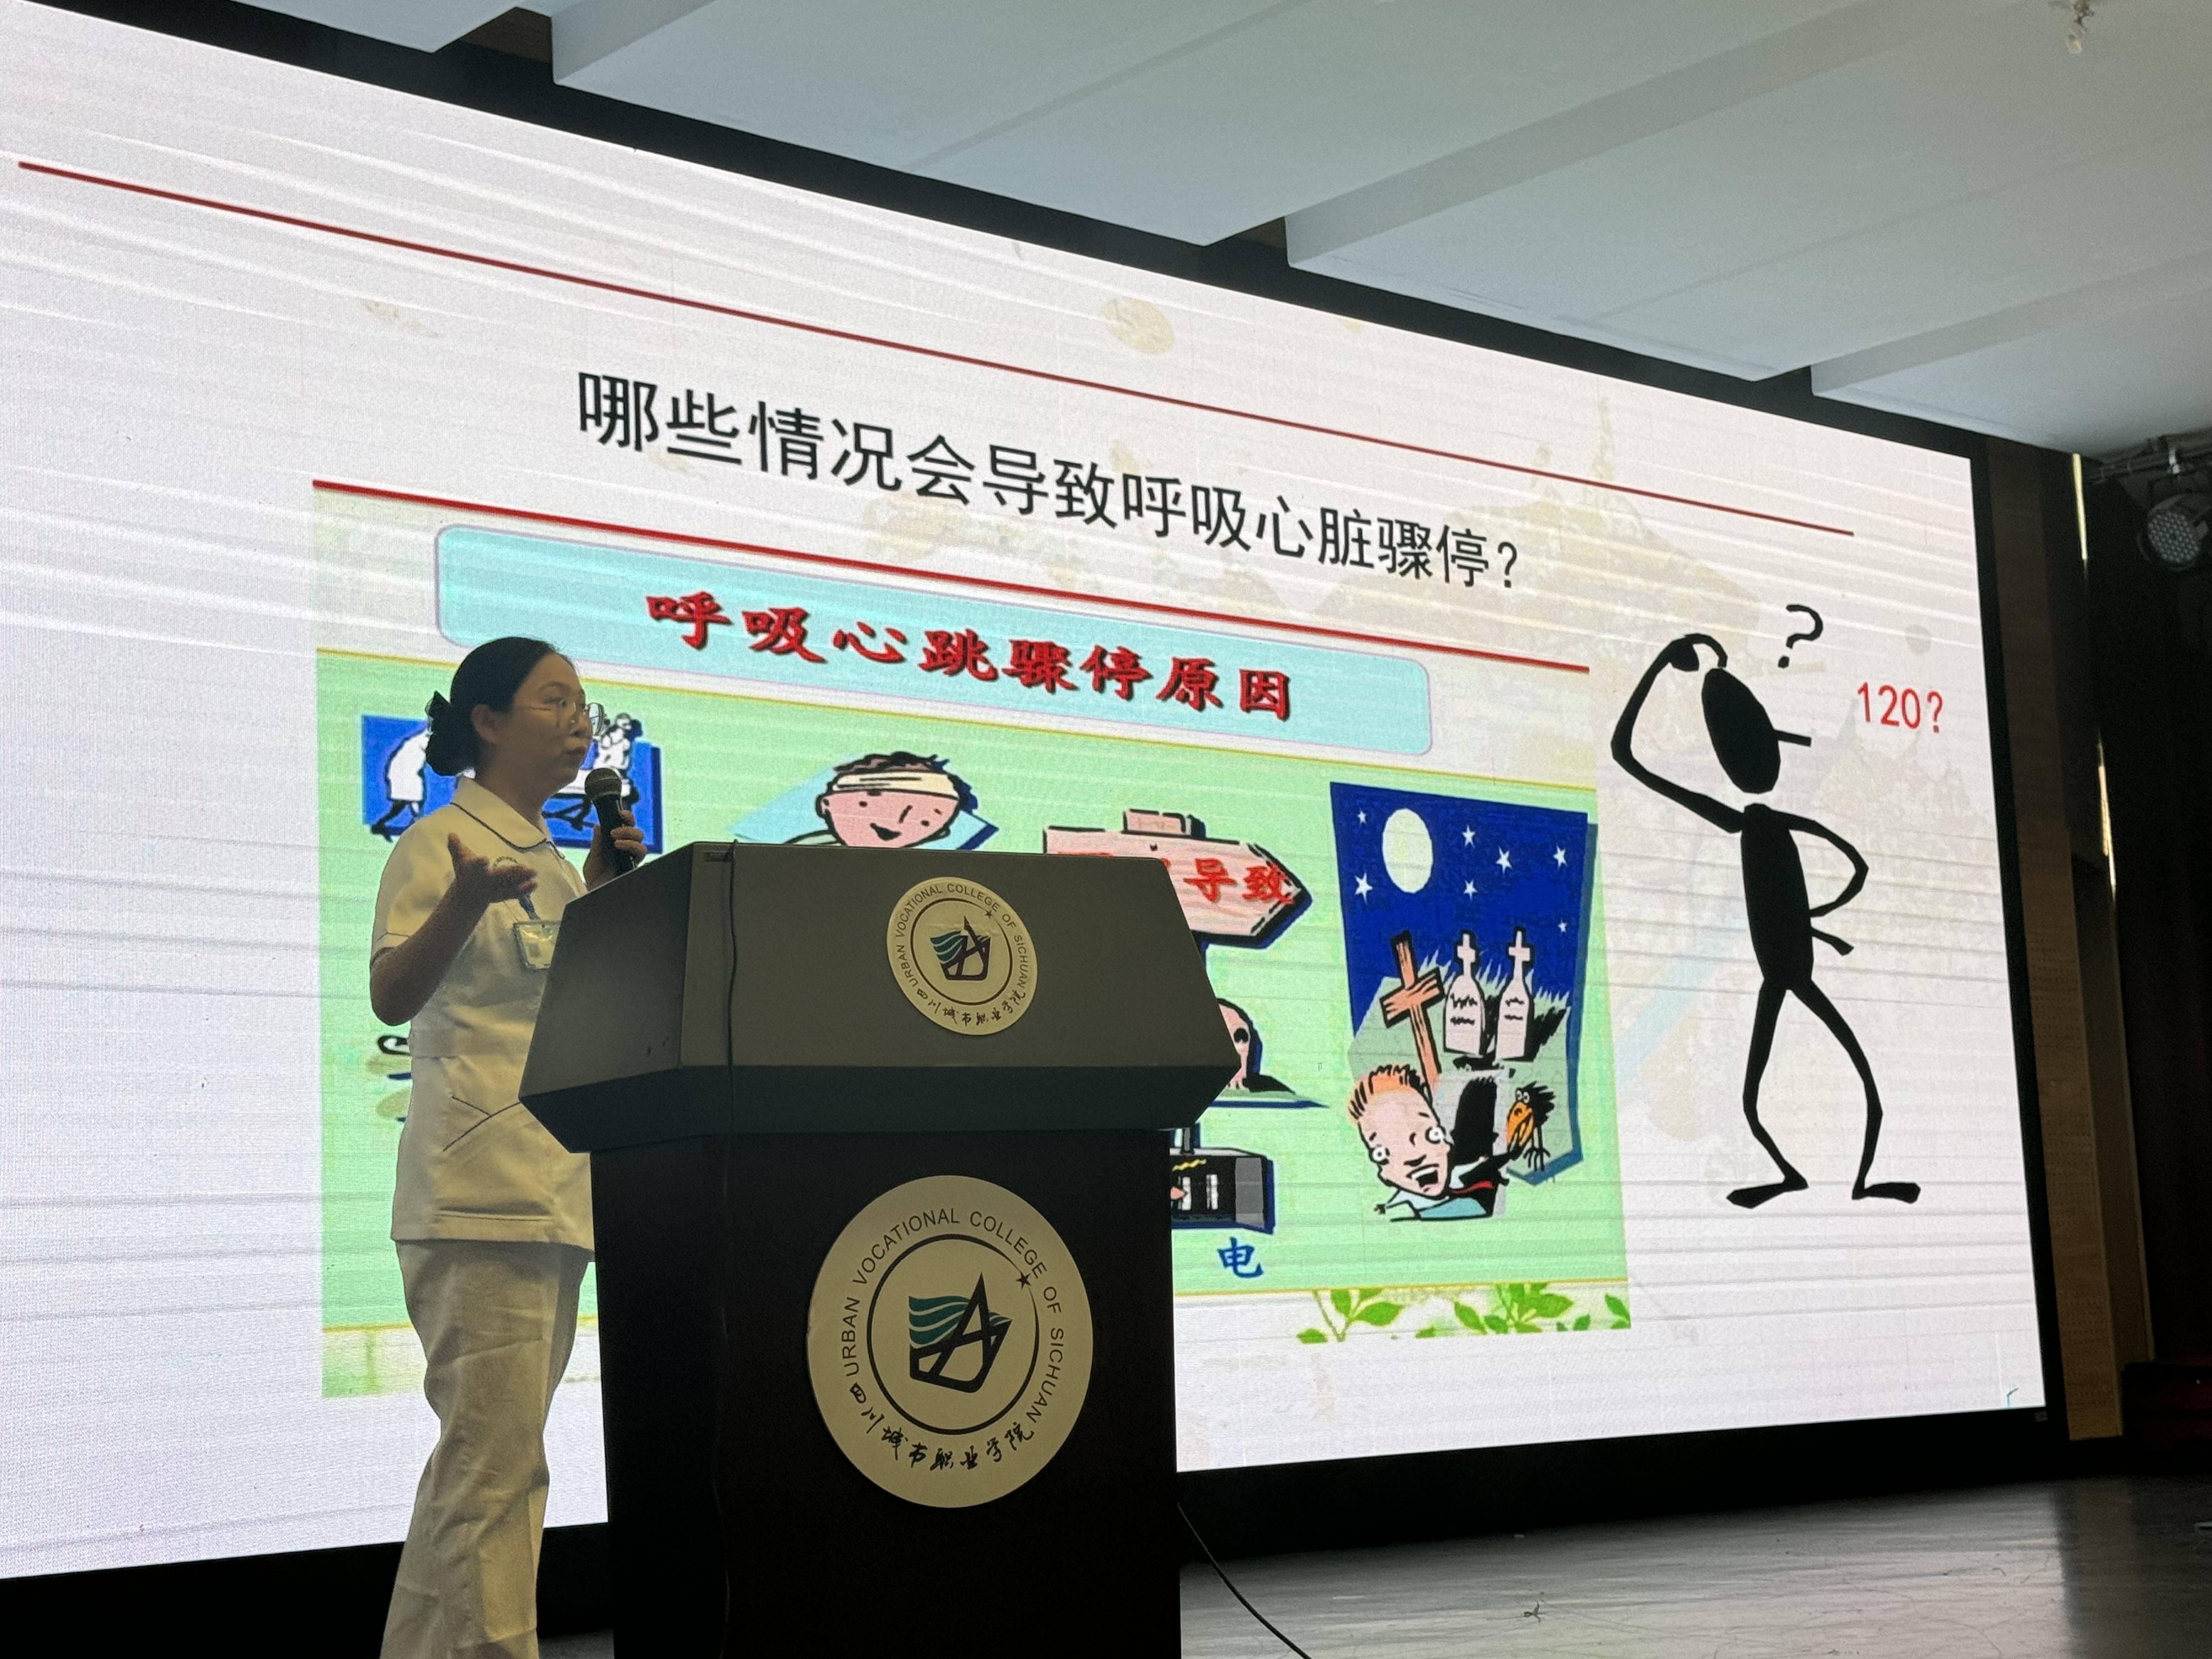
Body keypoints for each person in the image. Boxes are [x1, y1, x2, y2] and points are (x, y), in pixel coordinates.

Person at [369, 637, 644, 1659]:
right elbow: (391, 993)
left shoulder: (557, 864)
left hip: (550, 1191)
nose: (579, 722)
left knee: (487, 1468)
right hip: (480, 1195)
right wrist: (461, 903)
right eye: (554, 701)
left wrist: (607, 895)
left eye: (584, 705)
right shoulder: (439, 842)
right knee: (494, 1473)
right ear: (487, 721)